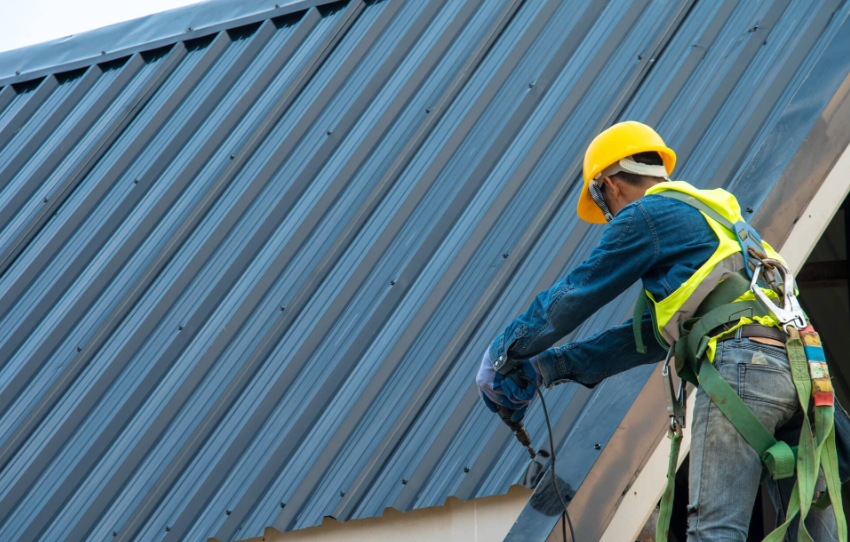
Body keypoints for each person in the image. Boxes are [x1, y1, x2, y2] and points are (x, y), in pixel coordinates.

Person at [476, 121, 843, 541]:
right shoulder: (716, 219)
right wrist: (547, 368)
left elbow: (577, 292)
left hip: (741, 366)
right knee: (811, 533)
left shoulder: (645, 214)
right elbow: (646, 338)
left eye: (605, 209)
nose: (610, 219)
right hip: (799, 372)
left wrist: (504, 352)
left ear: (607, 186)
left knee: (715, 530)